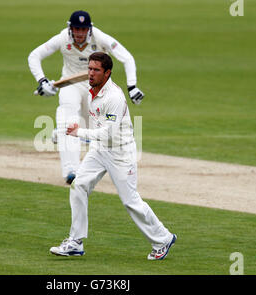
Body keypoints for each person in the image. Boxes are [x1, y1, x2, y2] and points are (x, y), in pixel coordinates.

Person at [49, 52, 176, 261]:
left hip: (120, 152)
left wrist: (77, 133)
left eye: (96, 70)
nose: (90, 73)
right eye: (89, 68)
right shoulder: (92, 90)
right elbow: (96, 124)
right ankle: (75, 242)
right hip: (99, 150)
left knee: (130, 201)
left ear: (107, 73)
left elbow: (108, 132)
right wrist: (62, 130)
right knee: (78, 185)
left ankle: (163, 238)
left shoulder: (114, 97)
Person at [28, 10, 145, 185]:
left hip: (97, 88)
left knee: (99, 131)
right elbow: (34, 55)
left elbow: (127, 57)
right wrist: (42, 81)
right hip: (71, 84)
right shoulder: (62, 38)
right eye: (76, 29)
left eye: (83, 30)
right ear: (70, 28)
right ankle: (71, 170)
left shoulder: (99, 37)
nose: (80, 33)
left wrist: (132, 86)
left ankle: (60, 134)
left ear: (89, 29)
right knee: (67, 119)